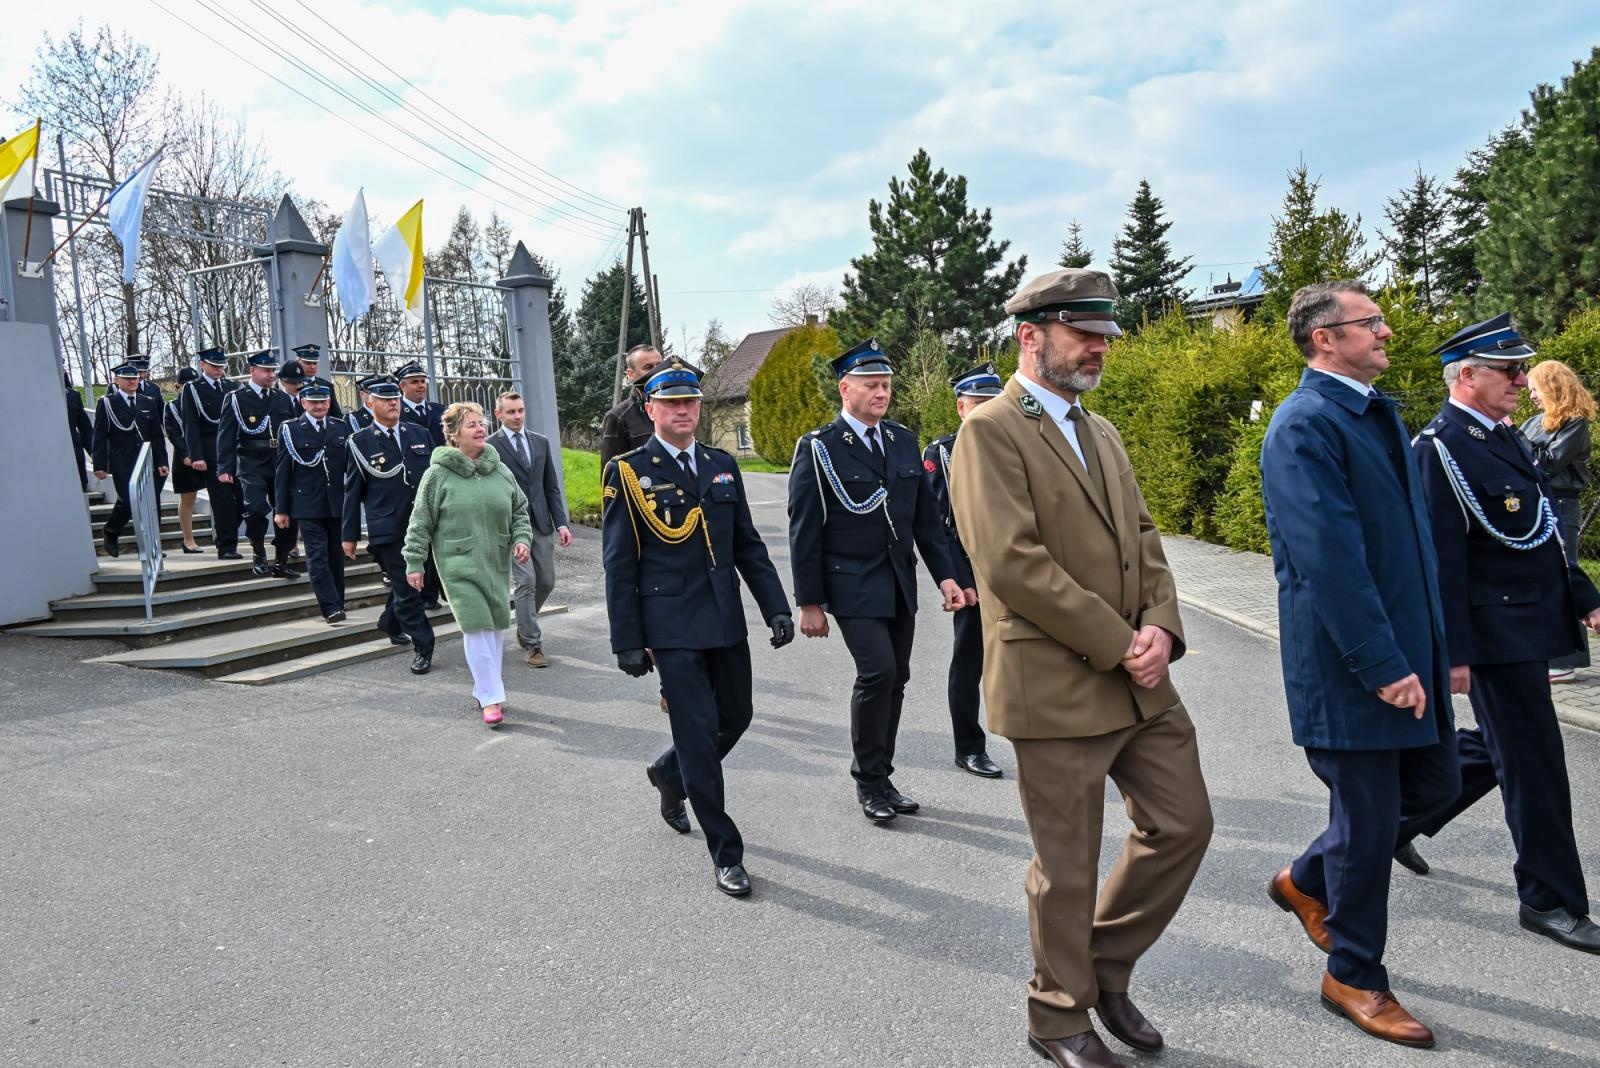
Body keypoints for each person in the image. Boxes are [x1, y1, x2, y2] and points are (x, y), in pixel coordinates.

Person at [950, 269, 1212, 1068]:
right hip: (1059, 680)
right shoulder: (990, 430)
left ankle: (1101, 970)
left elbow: (1145, 539)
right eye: (1084, 333)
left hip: (1140, 679)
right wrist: (1118, 640)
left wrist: (1162, 627)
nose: (1100, 346)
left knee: (1184, 824)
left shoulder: (1101, 431)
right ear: (1031, 335)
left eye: (1105, 335)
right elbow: (1011, 563)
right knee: (1067, 868)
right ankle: (1058, 1017)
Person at [1259, 280, 1459, 1050]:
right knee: (1371, 822)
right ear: (1323, 340)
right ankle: (1354, 974)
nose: (1385, 332)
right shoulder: (1305, 424)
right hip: (1352, 666)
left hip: (1411, 654)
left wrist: (1443, 652)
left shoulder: (1375, 411)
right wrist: (1379, 661)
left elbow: (1407, 550)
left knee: (1434, 784)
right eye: (1368, 322)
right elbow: (1329, 559)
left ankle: (1307, 879)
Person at [1397, 315, 1600, 955]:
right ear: (1466, 376)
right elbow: (1442, 559)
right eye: (1507, 370)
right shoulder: (1440, 447)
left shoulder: (1500, 436)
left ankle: (1394, 820)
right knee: (1534, 763)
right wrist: (1454, 652)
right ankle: (1548, 900)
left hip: (1525, 620)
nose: (1519, 379)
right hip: (1491, 634)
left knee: (1503, 747)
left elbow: (1535, 532)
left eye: (1519, 369)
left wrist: (1582, 593)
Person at [602, 357, 793, 896]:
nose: (683, 410)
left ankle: (670, 773)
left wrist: (774, 605)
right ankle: (725, 852)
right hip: (671, 626)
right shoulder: (629, 472)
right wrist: (628, 640)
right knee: (698, 737)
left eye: (690, 402)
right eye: (671, 402)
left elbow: (748, 547)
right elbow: (619, 564)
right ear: (651, 408)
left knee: (737, 714)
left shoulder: (720, 464)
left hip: (725, 618)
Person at [787, 338, 962, 823]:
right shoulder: (819, 448)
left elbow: (925, 521)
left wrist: (946, 576)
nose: (882, 392)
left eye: (886, 384)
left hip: (897, 582)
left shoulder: (902, 441)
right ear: (846, 389)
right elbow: (804, 529)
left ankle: (882, 775)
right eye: (871, 385)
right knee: (878, 672)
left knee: (898, 678)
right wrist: (810, 602)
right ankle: (867, 781)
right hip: (849, 582)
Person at [403, 402, 532, 727]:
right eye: (471, 424)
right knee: (476, 625)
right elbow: (420, 521)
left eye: (481, 422)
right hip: (457, 561)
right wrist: (414, 561)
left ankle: (484, 687)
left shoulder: (500, 470)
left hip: (495, 561)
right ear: (454, 434)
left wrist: (521, 539)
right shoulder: (437, 475)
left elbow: (520, 510)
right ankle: (491, 697)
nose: (480, 428)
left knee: (493, 625)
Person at [922, 361, 1004, 780]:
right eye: (979, 403)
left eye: (995, 401)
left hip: (1018, 571)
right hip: (972, 572)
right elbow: (937, 524)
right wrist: (960, 580)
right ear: (961, 407)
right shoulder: (940, 454)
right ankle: (969, 747)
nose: (988, 410)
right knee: (969, 663)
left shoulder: (1020, 445)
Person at [342, 377, 434, 674]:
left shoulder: (419, 433)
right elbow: (352, 491)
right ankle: (424, 647)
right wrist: (349, 534)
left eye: (395, 397)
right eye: (385, 399)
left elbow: (436, 480)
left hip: (422, 524)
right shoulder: (359, 442)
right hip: (388, 528)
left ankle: (389, 621)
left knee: (417, 585)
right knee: (409, 589)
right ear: (370, 404)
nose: (394, 402)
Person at [1522, 359, 1596, 682]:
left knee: (1565, 572)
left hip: (1562, 503)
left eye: (1535, 389)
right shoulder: (1536, 422)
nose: (1532, 396)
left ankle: (1566, 659)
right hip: (1538, 503)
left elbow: (1546, 465)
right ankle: (1548, 651)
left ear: (1552, 387)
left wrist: (1516, 439)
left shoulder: (1575, 423)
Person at [488, 391, 571, 668]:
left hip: (541, 522)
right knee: (526, 581)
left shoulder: (540, 442)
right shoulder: (491, 446)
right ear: (498, 414)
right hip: (511, 525)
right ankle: (533, 645)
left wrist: (561, 522)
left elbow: (551, 486)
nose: (517, 416)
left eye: (520, 410)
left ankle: (525, 624)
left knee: (546, 580)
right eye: (511, 412)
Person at [217, 351, 300, 578]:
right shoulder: (237, 398)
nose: (270, 375)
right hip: (251, 459)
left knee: (288, 511)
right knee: (254, 509)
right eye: (266, 370)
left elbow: (293, 432)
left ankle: (281, 560)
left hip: (280, 460)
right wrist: (225, 467)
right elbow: (225, 434)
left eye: (273, 371)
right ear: (252, 370)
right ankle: (258, 551)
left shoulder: (282, 399)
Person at [275, 383, 350, 623]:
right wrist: (282, 508)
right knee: (317, 555)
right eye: (313, 402)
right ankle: (329, 607)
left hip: (337, 503)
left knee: (336, 556)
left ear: (329, 402)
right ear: (303, 403)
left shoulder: (341, 427)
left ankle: (338, 601)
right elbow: (283, 470)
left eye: (323, 402)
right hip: (307, 503)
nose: (319, 406)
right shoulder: (291, 429)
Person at [91, 361, 169, 558]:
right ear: (117, 380)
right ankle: (111, 531)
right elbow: (100, 435)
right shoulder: (108, 403)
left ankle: (154, 545)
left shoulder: (147, 402)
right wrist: (100, 464)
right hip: (122, 461)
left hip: (146, 460)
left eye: (134, 378)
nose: (132, 382)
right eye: (127, 379)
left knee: (152, 503)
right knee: (127, 500)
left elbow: (157, 436)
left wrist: (162, 461)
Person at [181, 347, 244, 560]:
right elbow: (191, 424)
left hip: (234, 452)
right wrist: (196, 454)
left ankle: (224, 533)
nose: (219, 369)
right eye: (214, 365)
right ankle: (227, 546)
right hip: (211, 452)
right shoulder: (193, 389)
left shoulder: (231, 386)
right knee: (223, 500)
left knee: (242, 500)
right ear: (203, 365)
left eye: (221, 365)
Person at [164, 367, 206, 553]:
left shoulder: (203, 403)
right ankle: (188, 539)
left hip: (207, 456)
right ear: (179, 386)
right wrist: (186, 455)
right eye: (186, 385)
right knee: (189, 498)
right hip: (186, 458)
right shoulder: (172, 406)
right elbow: (174, 433)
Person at [599, 344, 661, 468]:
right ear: (631, 374)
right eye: (648, 367)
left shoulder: (677, 409)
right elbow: (610, 476)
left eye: (659, 365)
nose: (656, 371)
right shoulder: (617, 418)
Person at [396, 362, 445, 446]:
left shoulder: (440, 410)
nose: (421, 385)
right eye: (414, 382)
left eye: (423, 381)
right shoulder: (395, 412)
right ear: (402, 386)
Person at [290, 343, 343, 419]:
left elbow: (336, 414)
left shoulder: (327, 385)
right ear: (298, 362)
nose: (312, 367)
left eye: (315, 363)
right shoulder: (290, 385)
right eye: (308, 363)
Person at [64, 370, 93, 493]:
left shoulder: (73, 396)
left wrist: (94, 453)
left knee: (80, 487)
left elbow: (85, 427)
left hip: (74, 449)